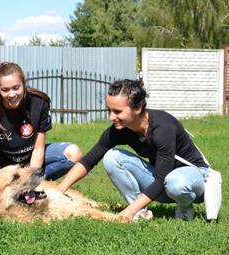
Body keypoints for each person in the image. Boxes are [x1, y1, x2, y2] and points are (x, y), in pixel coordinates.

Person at [57, 79, 209, 221]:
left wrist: (125, 212)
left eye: (117, 111)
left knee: (175, 182)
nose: (111, 117)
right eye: (109, 110)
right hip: (164, 182)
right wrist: (59, 190)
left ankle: (184, 206)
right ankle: (138, 212)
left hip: (195, 180)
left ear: (137, 108)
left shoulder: (163, 128)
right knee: (111, 157)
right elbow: (89, 160)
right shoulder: (120, 129)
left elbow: (162, 178)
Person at [0, 62, 82, 200]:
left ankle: (31, 187)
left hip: (27, 162)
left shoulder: (40, 102)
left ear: (23, 84)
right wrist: (3, 183)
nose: (12, 94)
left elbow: (38, 149)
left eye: (16, 88)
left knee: (73, 153)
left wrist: (29, 180)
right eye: (5, 90)